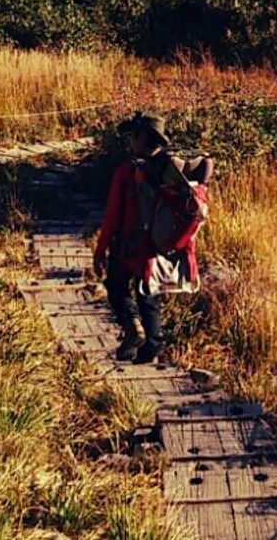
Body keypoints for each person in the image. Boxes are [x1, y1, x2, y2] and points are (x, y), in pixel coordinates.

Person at [93, 113, 212, 365]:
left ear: (142, 137)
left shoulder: (128, 171)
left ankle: (133, 325)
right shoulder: (171, 173)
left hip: (129, 245)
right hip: (158, 247)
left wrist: (100, 250)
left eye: (133, 136)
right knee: (149, 293)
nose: (131, 142)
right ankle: (152, 346)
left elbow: (112, 216)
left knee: (116, 285)